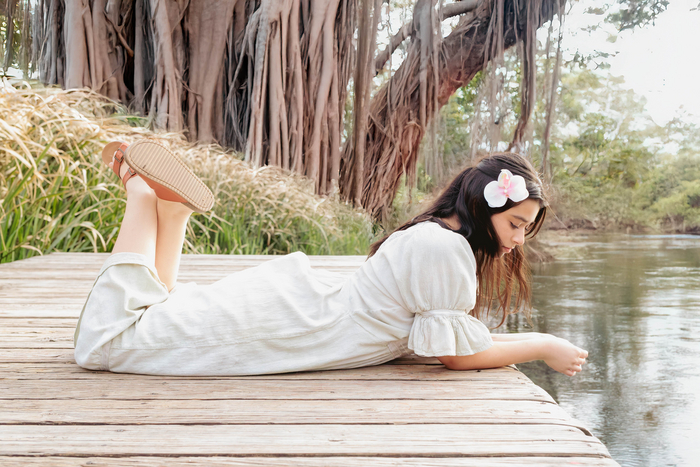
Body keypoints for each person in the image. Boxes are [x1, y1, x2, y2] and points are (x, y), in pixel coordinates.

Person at [73, 140, 588, 377]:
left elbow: (454, 337)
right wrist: (541, 344)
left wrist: (542, 342)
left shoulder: (437, 236)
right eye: (516, 224)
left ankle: (174, 215)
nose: (519, 239)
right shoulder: (444, 249)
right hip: (300, 325)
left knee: (158, 316)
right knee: (108, 343)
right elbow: (453, 357)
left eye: (527, 228)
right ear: (483, 206)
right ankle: (143, 197)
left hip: (304, 310)